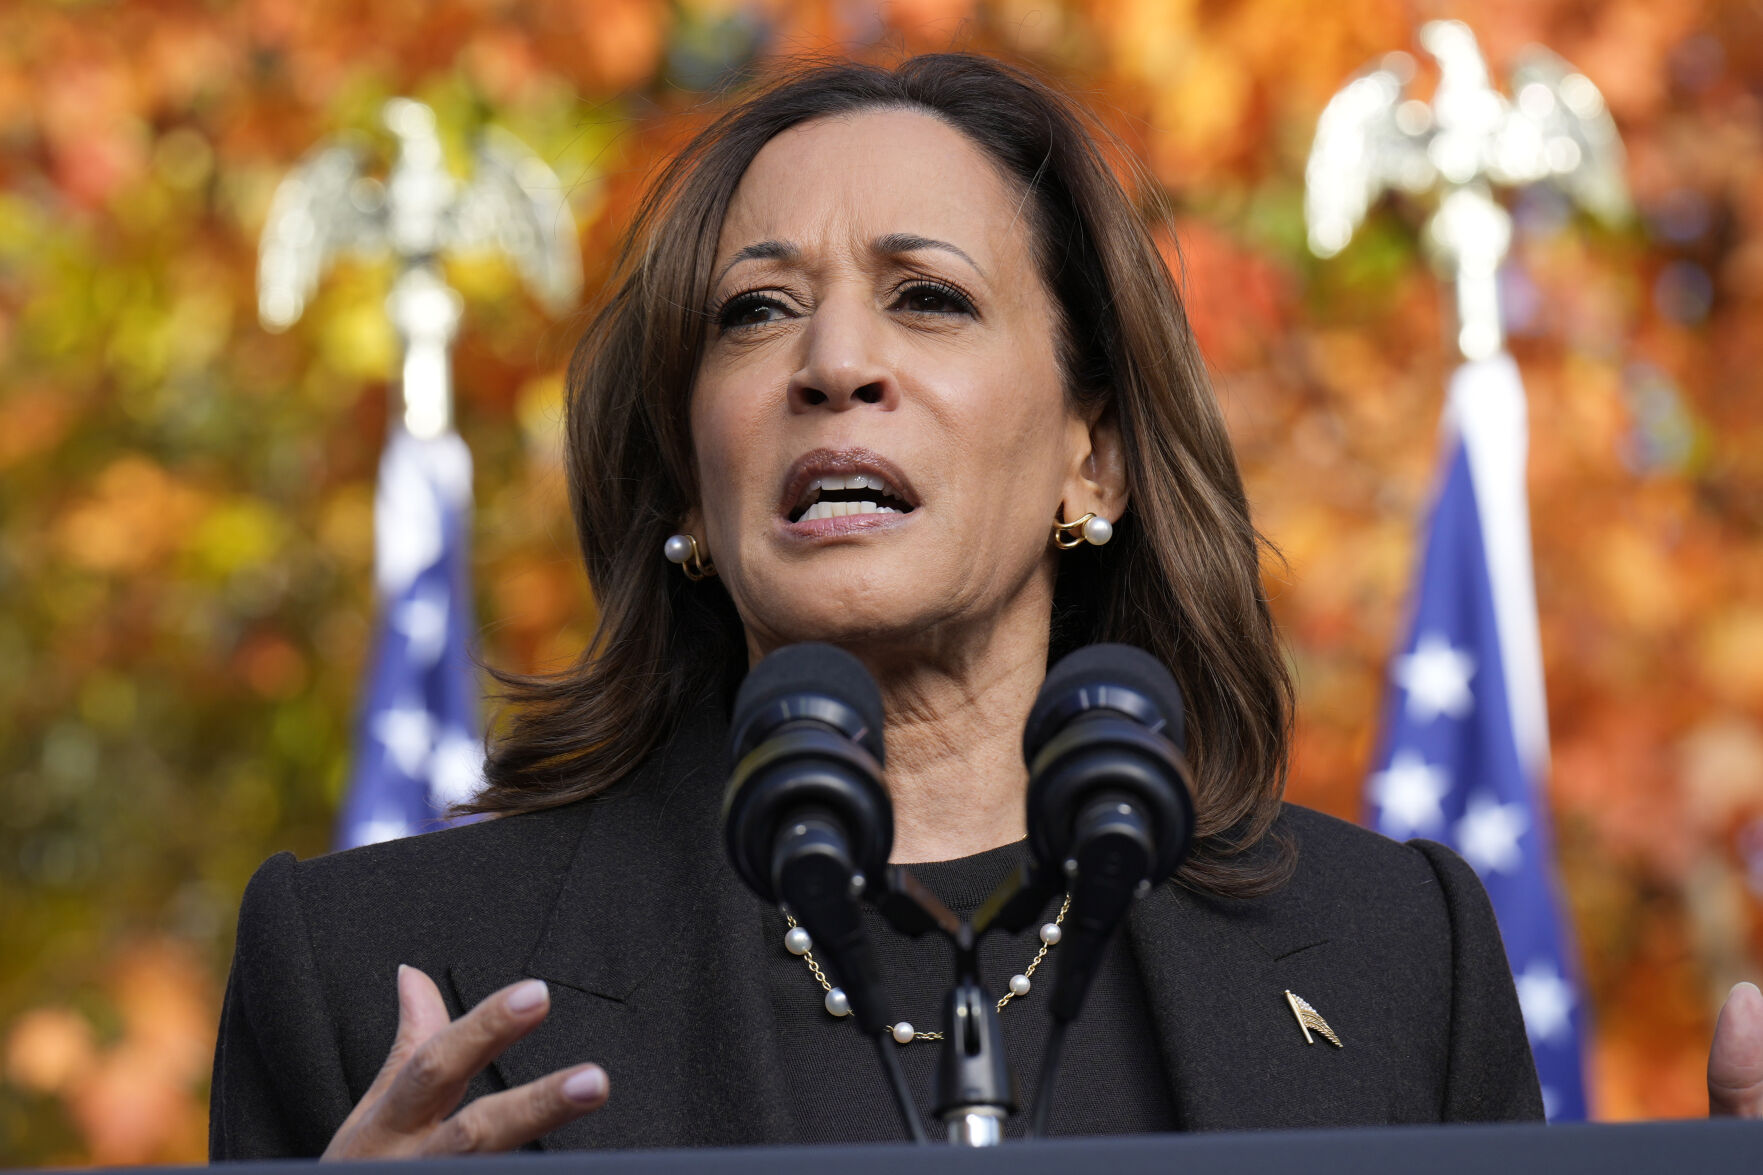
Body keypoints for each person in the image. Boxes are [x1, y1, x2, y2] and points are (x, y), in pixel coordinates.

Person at [209, 52, 1763, 1159]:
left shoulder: (1392, 962)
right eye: (755, 312)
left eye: (928, 296)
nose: (833, 361)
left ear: (1093, 453)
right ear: (690, 479)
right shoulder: (379, 979)